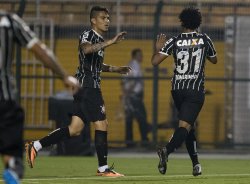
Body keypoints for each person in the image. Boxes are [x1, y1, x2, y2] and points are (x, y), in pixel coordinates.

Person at [25, 6, 131, 177]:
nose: (107, 21)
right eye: (103, 18)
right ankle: (103, 169)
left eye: (108, 18)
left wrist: (115, 69)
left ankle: (36, 145)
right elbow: (87, 49)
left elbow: (95, 64)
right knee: (102, 124)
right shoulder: (88, 35)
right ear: (93, 20)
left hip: (85, 87)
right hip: (88, 87)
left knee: (74, 129)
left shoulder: (98, 39)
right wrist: (111, 42)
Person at [0, 10, 80, 184]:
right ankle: (13, 166)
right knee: (11, 155)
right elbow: (40, 50)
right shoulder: (8, 20)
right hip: (4, 99)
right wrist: (64, 76)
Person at [151, 7, 217, 176]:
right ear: (198, 23)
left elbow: (155, 61)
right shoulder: (204, 39)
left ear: (182, 22)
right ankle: (166, 150)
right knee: (184, 127)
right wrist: (203, 54)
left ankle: (196, 164)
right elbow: (214, 59)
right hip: (194, 90)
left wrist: (157, 48)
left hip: (177, 89)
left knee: (188, 127)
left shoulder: (175, 40)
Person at [121, 48, 149, 147]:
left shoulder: (130, 65)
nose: (142, 57)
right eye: (139, 55)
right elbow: (133, 81)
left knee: (129, 119)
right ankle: (145, 141)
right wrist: (128, 94)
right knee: (142, 118)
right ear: (134, 56)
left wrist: (125, 94)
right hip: (134, 96)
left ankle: (129, 142)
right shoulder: (135, 66)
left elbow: (123, 81)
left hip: (130, 96)